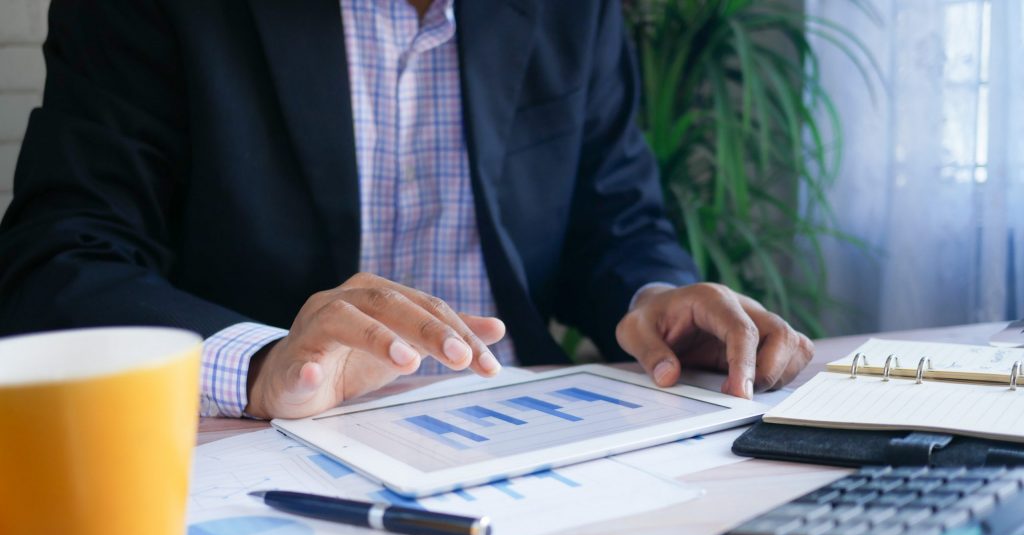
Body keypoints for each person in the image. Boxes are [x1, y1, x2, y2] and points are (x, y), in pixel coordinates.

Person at [0, 0, 812, 419]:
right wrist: (263, 365)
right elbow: (58, 262)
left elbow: (614, 218)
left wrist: (656, 296)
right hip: (262, 450)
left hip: (521, 438)